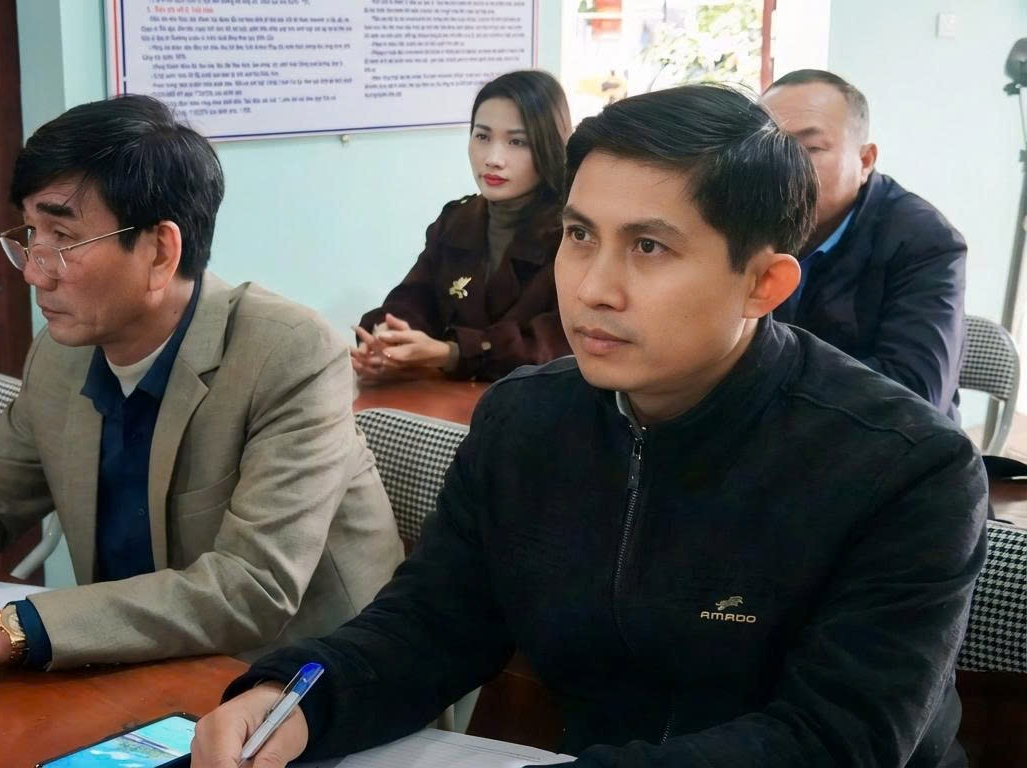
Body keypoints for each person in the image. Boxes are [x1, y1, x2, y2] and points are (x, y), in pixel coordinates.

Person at [193, 85, 988, 767]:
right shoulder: (525, 420)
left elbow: (833, 742)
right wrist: (296, 698)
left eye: (649, 246)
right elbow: (432, 623)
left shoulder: (904, 468)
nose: (592, 288)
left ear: (764, 284)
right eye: (578, 236)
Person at [0, 95, 404, 685]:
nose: (35, 272)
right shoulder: (63, 354)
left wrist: (2, 632)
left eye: (62, 237)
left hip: (307, 683)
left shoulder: (288, 354)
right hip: (135, 668)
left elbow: (249, 587)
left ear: (160, 252)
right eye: (29, 234)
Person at [762, 69, 967, 420]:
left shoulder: (925, 240)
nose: (781, 168)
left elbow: (916, 393)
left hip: (887, 442)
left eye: (810, 148)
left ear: (865, 161)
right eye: (768, 148)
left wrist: (765, 378)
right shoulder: (751, 222)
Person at [353, 70, 572, 383]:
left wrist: (453, 354)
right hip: (451, 399)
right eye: (482, 136)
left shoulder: (575, 233)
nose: (493, 158)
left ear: (549, 144)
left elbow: (555, 345)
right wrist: (388, 338)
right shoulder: (458, 220)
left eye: (517, 141)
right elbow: (415, 298)